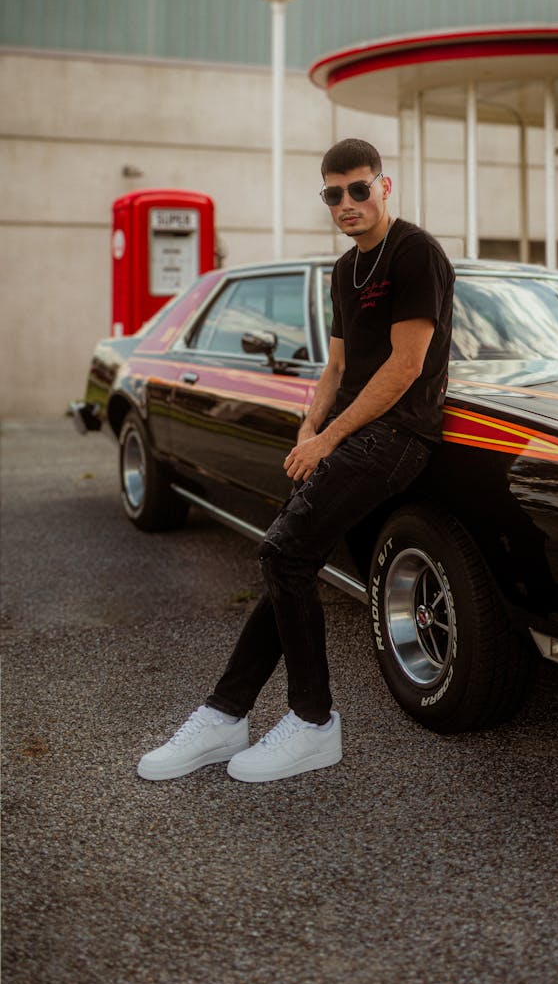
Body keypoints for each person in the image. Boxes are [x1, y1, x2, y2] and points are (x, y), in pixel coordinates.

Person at [138, 138, 454, 784]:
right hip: (352, 432)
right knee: (290, 555)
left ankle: (312, 722)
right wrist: (309, 424)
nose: (347, 203)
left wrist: (328, 438)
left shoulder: (415, 253)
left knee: (284, 555)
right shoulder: (344, 269)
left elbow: (406, 364)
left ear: (384, 187)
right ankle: (225, 714)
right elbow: (336, 366)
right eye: (333, 193)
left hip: (399, 436)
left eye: (359, 188)